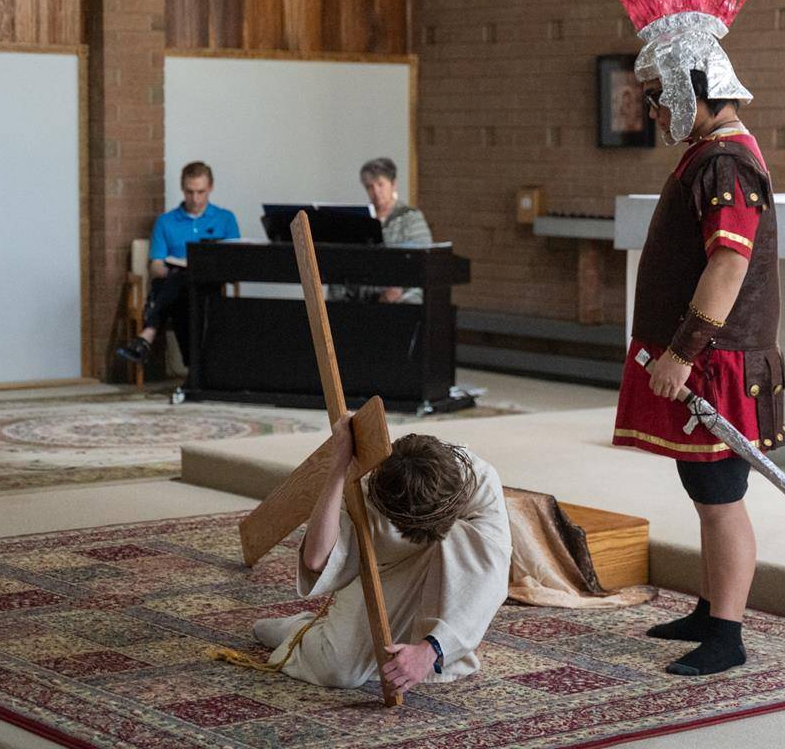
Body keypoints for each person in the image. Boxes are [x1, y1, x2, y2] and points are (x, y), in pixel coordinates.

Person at [612, 0, 785, 676]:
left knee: (720, 497)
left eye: (658, 98)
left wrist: (683, 351)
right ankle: (712, 607)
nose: (654, 113)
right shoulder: (710, 155)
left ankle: (728, 633)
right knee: (703, 489)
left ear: (692, 85)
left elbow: (727, 266)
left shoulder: (725, 163)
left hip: (719, 362)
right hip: (707, 360)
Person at [250, 416, 512, 693]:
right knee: (338, 670)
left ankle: (434, 645)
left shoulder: (479, 481)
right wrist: (339, 465)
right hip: (382, 570)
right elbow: (316, 560)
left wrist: (430, 649)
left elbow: (490, 577)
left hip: (446, 574)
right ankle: (298, 631)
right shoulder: (367, 486)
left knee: (466, 543)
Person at [116, 162, 239, 367]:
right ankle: (196, 371)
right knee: (180, 283)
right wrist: (175, 270)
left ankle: (148, 334)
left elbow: (234, 261)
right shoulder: (166, 221)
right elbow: (155, 266)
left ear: (211, 188)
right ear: (183, 189)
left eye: (201, 192)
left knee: (182, 286)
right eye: (190, 192)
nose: (195, 199)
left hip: (208, 285)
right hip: (176, 286)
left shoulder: (225, 219)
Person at [359, 157, 432, 304]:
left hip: (403, 287)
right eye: (370, 187)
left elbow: (422, 259)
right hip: (369, 287)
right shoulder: (362, 220)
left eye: (380, 185)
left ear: (393, 185)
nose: (376, 191)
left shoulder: (411, 217)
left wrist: (398, 287)